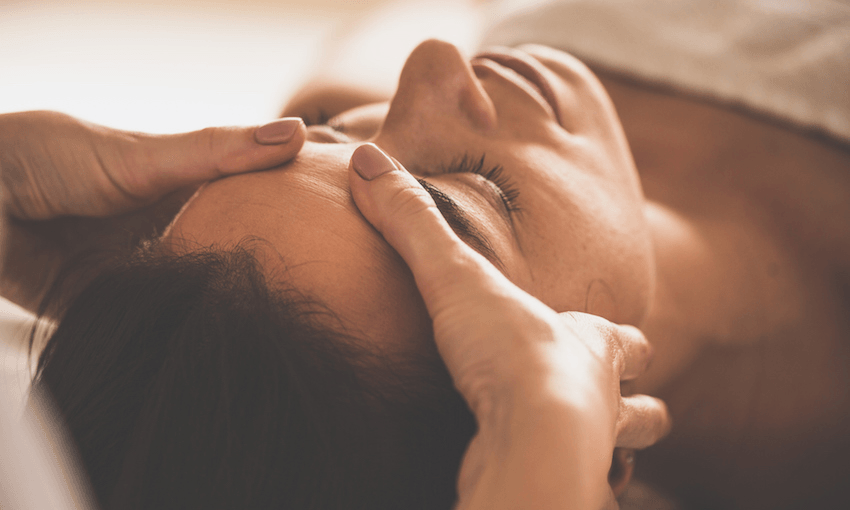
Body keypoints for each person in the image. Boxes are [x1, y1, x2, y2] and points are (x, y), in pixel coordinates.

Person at [4, 0, 850, 507]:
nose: (438, 69)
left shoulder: (349, 87)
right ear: (594, 455)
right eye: (468, 197)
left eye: (332, 136)